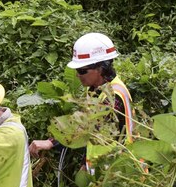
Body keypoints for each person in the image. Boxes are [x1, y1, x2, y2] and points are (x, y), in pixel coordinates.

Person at [29, 32, 135, 171]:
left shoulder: (114, 95)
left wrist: (51, 142)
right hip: (104, 171)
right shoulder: (95, 90)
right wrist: (84, 162)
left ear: (101, 68)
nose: (78, 75)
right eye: (77, 71)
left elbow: (88, 127)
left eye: (82, 70)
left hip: (125, 173)